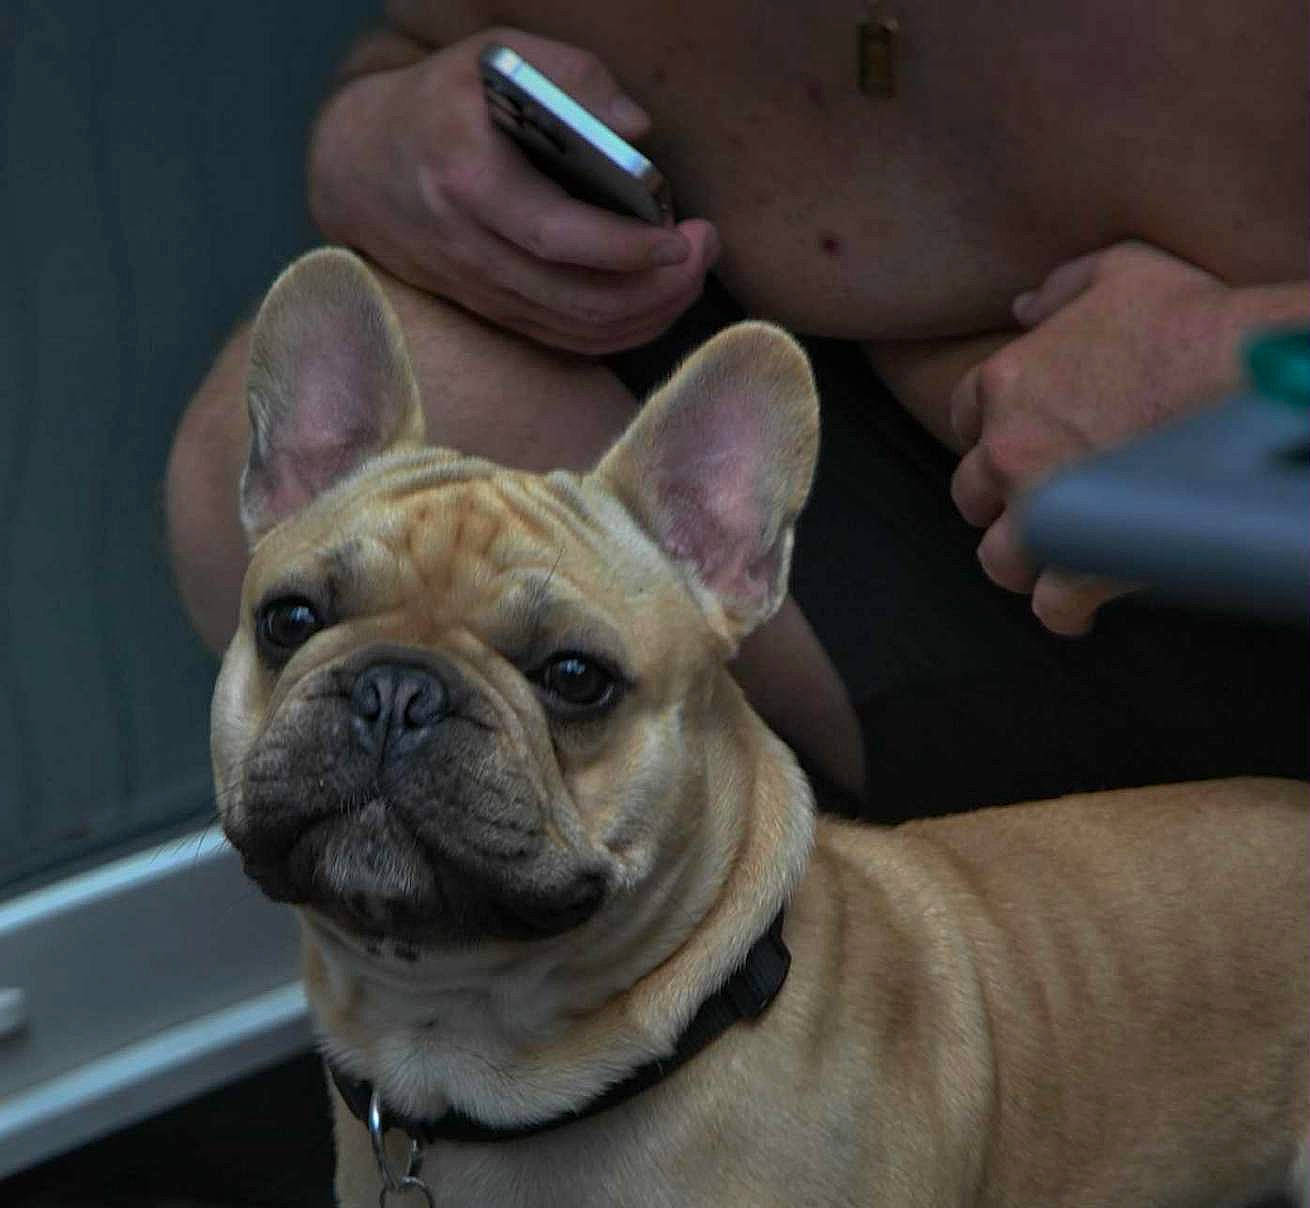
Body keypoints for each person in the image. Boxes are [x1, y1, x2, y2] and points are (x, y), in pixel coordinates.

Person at [165, 4, 1309, 818]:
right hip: (860, 512)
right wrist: (377, 134)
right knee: (309, 476)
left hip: (1243, 559)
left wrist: (1250, 377)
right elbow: (413, 42)